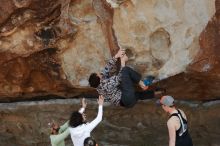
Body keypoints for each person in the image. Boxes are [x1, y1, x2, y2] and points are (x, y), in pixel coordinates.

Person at [89, 49, 164, 108]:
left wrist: (116, 56)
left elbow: (107, 68)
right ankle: (142, 83)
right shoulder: (106, 85)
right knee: (125, 70)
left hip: (127, 104)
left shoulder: (99, 88)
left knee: (138, 95)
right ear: (99, 77)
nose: (100, 73)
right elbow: (121, 77)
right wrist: (122, 61)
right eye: (98, 74)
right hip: (126, 97)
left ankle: (155, 94)